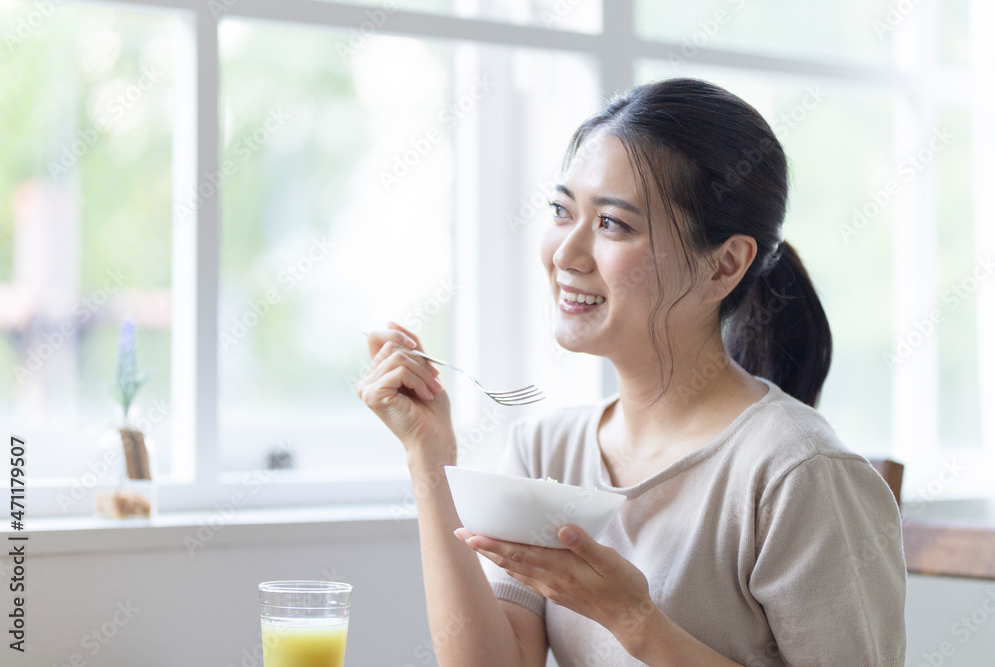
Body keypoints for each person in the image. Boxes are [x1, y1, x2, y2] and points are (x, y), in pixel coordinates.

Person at [358, 78, 906, 666]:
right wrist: (429, 456)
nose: (566, 254)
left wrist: (635, 621)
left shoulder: (798, 473)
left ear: (724, 264)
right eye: (561, 211)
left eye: (613, 224)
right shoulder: (545, 451)